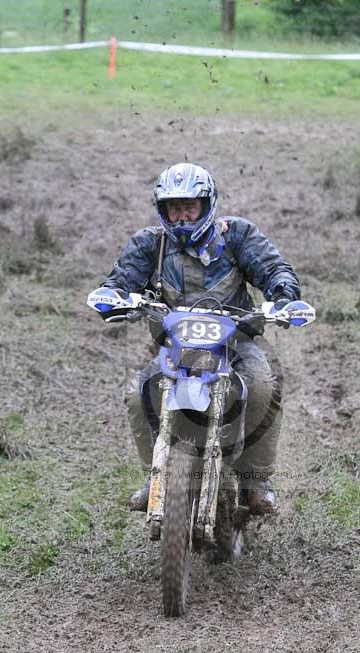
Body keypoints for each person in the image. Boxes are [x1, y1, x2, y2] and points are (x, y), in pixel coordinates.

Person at [94, 162, 301, 515]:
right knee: (137, 394)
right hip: (174, 346)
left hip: (235, 344)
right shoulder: (151, 244)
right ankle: (153, 476)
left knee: (262, 387)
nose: (182, 217)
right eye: (174, 209)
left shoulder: (237, 235)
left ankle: (256, 480)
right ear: (163, 211)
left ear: (206, 204)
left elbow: (274, 269)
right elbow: (120, 279)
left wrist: (283, 296)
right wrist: (112, 296)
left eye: (189, 207)